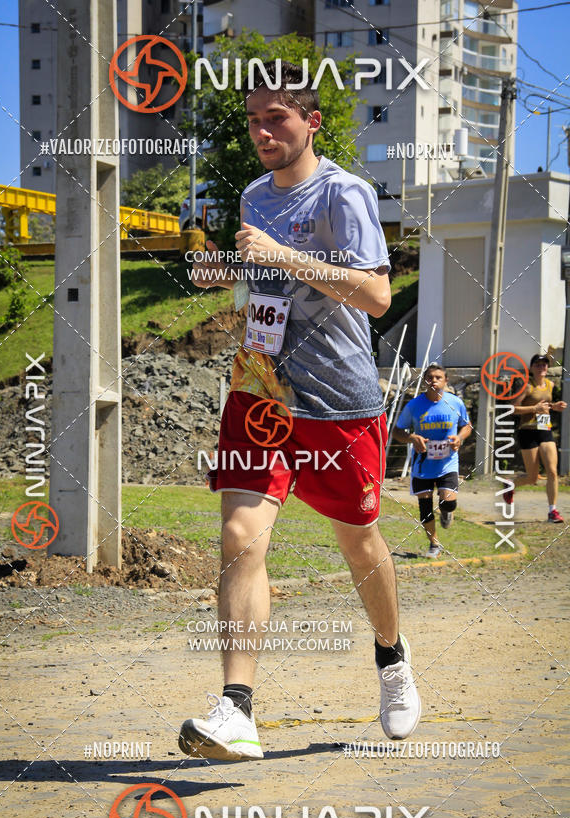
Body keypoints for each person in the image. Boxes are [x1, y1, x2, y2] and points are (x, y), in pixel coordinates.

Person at [178, 60, 421, 761]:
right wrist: (230, 274)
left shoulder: (345, 193)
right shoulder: (253, 196)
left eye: (276, 118)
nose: (262, 132)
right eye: (253, 120)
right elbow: (266, 287)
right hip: (261, 393)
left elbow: (376, 296)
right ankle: (237, 708)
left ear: (311, 122)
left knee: (359, 543)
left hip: (338, 401)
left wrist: (283, 254)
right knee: (240, 536)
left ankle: (391, 656)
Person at [392, 364, 472, 559]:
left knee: (448, 502)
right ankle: (434, 544)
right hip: (422, 464)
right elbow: (397, 431)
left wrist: (459, 438)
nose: (434, 380)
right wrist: (412, 438)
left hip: (447, 463)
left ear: (445, 381)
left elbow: (467, 426)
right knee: (425, 506)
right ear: (425, 381)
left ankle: (446, 511)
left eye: (438, 377)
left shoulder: (455, 403)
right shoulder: (414, 405)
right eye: (430, 377)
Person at [503, 353, 567, 523]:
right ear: (531, 368)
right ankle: (510, 484)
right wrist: (534, 408)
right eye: (538, 365)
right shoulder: (527, 386)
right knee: (532, 478)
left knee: (552, 471)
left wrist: (554, 406)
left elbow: (545, 406)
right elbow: (512, 408)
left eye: (544, 364)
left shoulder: (550, 385)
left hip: (545, 430)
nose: (542, 367)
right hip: (527, 431)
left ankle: (552, 511)